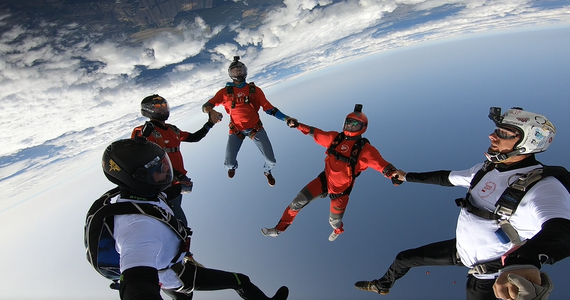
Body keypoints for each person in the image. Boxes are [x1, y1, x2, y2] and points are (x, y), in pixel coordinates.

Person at [354, 107, 570, 300]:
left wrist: (525, 261)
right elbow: (446, 178)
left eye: (503, 133)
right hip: (461, 251)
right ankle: (382, 286)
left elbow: (563, 229)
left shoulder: (543, 186)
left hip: (491, 276)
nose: (492, 136)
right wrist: (406, 176)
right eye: (497, 129)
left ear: (526, 143)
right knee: (403, 258)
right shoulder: (485, 170)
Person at [101, 138, 290, 300]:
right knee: (240, 281)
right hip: (177, 275)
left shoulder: (139, 196)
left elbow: (162, 198)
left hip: (171, 270)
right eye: (160, 169)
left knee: (184, 296)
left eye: (165, 164)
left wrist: (178, 188)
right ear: (139, 177)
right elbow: (137, 282)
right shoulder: (138, 226)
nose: (167, 172)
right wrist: (132, 286)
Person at [261, 104, 399, 241]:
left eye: (355, 125)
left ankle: (338, 229)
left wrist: (393, 174)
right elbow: (314, 132)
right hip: (324, 180)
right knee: (297, 202)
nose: (350, 127)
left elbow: (381, 164)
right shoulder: (335, 138)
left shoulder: (366, 150)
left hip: (340, 192)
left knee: (333, 221)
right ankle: (278, 229)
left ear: (363, 128)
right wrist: (297, 125)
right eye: (348, 123)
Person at [201, 56, 297, 186]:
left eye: (240, 70)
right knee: (228, 164)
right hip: (236, 130)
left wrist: (286, 118)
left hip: (255, 128)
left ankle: (267, 172)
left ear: (245, 72)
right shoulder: (224, 93)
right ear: (230, 74)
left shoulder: (254, 91)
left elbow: (269, 108)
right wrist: (211, 111)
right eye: (234, 71)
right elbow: (206, 106)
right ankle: (232, 167)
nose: (238, 73)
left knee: (271, 161)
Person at [132, 94, 214, 226]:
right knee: (179, 223)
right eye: (157, 107)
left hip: (175, 182)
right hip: (162, 183)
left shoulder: (172, 129)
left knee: (175, 220)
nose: (163, 109)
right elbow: (147, 157)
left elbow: (194, 137)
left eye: (164, 105)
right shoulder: (145, 132)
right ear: (148, 110)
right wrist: (178, 176)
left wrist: (210, 123)